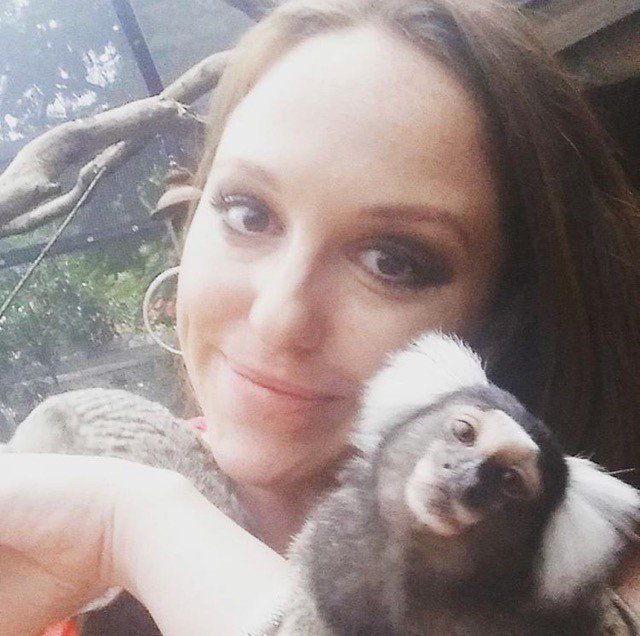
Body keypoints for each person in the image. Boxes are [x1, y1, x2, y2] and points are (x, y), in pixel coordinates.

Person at [1, 0, 639, 633]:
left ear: (504, 320)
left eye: (392, 261)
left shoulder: (595, 603)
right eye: (248, 214)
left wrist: (135, 526)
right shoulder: (78, 478)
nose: (278, 317)